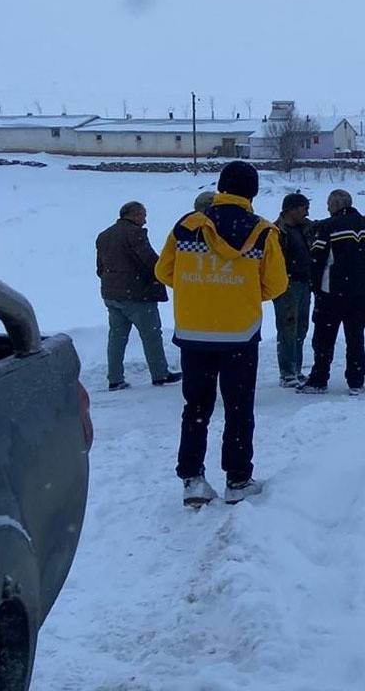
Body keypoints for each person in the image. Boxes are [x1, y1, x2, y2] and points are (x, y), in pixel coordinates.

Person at [155, 161, 288, 507]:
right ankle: (238, 479)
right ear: (253, 192)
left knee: (196, 406)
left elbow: (164, 271)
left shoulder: (187, 226)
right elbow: (276, 285)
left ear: (221, 186)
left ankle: (193, 480)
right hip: (239, 336)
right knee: (239, 408)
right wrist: (239, 291)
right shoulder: (262, 231)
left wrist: (199, 289)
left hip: (194, 334)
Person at [298, 189, 365, 395]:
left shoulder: (329, 226)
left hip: (331, 293)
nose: (327, 208)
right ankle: (356, 380)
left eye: (329, 204)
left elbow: (316, 259)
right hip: (360, 294)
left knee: (324, 338)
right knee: (356, 337)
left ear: (335, 205)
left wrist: (315, 287)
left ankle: (319, 379)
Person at [96, 200, 180, 391]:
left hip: (111, 295)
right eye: (143, 215)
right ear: (134, 215)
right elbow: (149, 260)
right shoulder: (135, 233)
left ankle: (115, 378)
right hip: (137, 295)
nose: (145, 219)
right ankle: (160, 374)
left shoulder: (104, 235)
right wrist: (166, 272)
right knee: (151, 335)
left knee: (117, 337)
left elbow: (100, 267)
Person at [273, 193, 314, 387]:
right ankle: (287, 372)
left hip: (305, 283)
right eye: (303, 207)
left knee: (301, 328)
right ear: (291, 209)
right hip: (286, 285)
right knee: (287, 328)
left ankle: (296, 369)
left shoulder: (306, 228)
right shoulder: (277, 231)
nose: (307, 211)